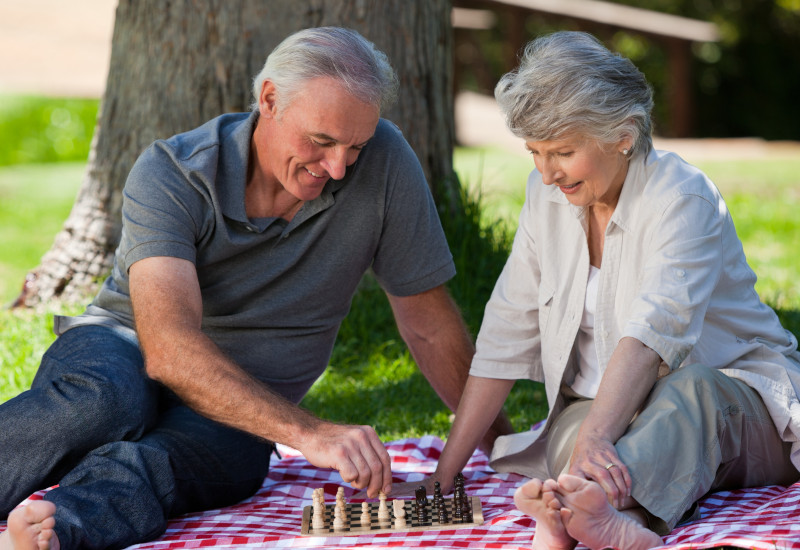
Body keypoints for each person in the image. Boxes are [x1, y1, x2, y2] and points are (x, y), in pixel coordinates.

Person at [0, 27, 511, 550]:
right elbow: (168, 348)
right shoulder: (175, 171)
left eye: (354, 146)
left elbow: (429, 324)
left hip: (248, 405)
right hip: (125, 344)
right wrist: (311, 434)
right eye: (322, 141)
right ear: (269, 99)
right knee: (105, 403)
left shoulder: (385, 163)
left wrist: (504, 448)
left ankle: (50, 534)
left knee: (172, 462)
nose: (337, 167)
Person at [402, 31, 800, 550]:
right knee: (572, 435)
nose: (546, 174)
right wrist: (444, 475)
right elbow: (505, 333)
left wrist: (596, 438)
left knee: (687, 393)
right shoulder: (543, 197)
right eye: (534, 152)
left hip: (735, 408)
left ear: (624, 135)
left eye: (563, 151)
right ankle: (588, 513)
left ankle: (602, 512)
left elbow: (651, 336)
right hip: (612, 414)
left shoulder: (683, 197)